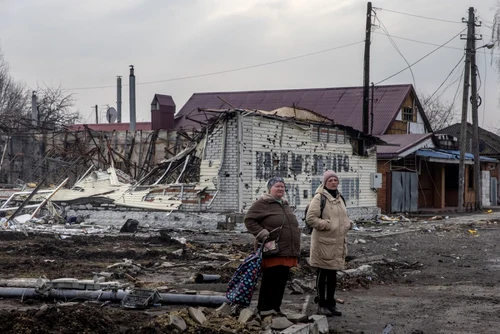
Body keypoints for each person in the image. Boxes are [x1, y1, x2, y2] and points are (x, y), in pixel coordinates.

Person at [244, 176, 301, 317]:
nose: (280, 188)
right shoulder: (262, 203)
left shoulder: (284, 204)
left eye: (282, 186)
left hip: (287, 250)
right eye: (277, 186)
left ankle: (276, 308)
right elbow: (249, 220)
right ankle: (263, 309)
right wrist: (261, 233)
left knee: (281, 281)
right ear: (270, 188)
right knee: (270, 280)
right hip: (272, 249)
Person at [306, 170, 351, 316]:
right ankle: (321, 304)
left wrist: (348, 224)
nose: (333, 182)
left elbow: (342, 217)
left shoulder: (340, 198)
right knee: (323, 273)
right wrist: (327, 225)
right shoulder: (319, 198)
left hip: (337, 242)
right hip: (324, 242)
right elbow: (311, 219)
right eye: (330, 180)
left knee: (333, 274)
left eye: (335, 180)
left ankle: (331, 304)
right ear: (325, 183)